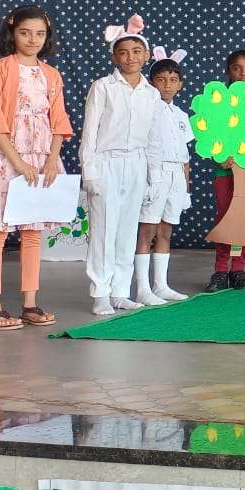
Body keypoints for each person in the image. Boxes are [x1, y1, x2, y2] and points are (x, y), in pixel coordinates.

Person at [0, 6, 73, 330]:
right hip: (5, 157)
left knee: (32, 233)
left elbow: (59, 119)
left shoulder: (51, 74)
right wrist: (17, 161)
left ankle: (30, 303)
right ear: (12, 33)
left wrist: (52, 159)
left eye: (40, 33)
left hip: (41, 158)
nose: (33, 39)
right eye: (25, 33)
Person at [82, 16, 159, 315]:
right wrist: (90, 172)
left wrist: (151, 176)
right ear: (114, 56)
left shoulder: (151, 93)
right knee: (104, 229)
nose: (131, 58)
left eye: (137, 52)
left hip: (136, 163)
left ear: (147, 55)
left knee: (127, 230)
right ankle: (100, 292)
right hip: (107, 163)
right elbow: (89, 133)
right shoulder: (103, 87)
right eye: (123, 52)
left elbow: (151, 139)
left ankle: (120, 291)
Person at [132, 49, 192, 304]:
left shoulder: (181, 115)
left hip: (175, 175)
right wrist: (146, 179)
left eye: (173, 80)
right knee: (147, 231)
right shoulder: (146, 109)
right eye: (161, 80)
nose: (167, 85)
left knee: (166, 231)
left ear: (180, 85)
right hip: (154, 173)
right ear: (151, 81)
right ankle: (142, 288)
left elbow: (185, 155)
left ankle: (161, 285)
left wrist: (186, 188)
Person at [204, 49, 245, 293]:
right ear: (229, 71)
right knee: (226, 219)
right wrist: (219, 156)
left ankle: (238, 268)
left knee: (243, 219)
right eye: (237, 68)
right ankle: (220, 270)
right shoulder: (219, 101)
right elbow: (208, 131)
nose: (243, 73)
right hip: (225, 172)